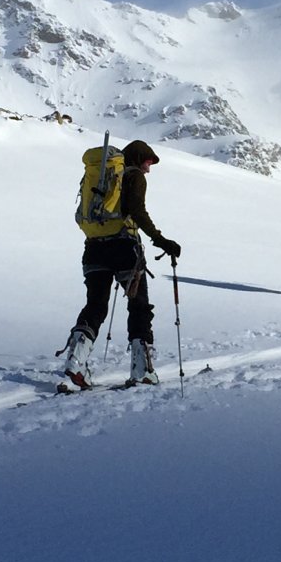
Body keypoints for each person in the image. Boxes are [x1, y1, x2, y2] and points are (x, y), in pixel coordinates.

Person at [60, 139, 181, 389]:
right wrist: (161, 240)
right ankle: (142, 370)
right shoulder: (133, 175)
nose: (148, 169)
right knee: (139, 306)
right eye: (148, 162)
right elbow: (137, 210)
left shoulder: (100, 175)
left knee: (95, 306)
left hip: (94, 248)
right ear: (138, 158)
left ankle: (75, 362)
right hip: (125, 248)